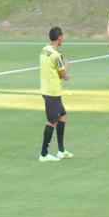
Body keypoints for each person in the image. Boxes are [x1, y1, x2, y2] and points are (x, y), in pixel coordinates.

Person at [39, 26, 73, 162]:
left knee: (63, 116)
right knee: (52, 122)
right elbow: (63, 75)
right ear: (59, 38)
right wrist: (67, 67)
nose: (63, 38)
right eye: (62, 36)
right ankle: (44, 154)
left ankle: (61, 150)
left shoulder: (44, 50)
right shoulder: (57, 56)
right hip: (52, 92)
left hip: (48, 90)